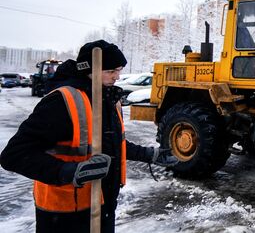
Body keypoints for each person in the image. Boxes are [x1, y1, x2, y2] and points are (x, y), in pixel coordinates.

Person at [0, 40, 178, 233]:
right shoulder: (61, 102)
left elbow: (111, 144)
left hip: (103, 204)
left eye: (119, 70)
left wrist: (150, 154)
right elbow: (14, 155)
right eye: (111, 71)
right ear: (89, 69)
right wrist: (70, 171)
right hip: (64, 214)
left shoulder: (107, 100)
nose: (117, 77)